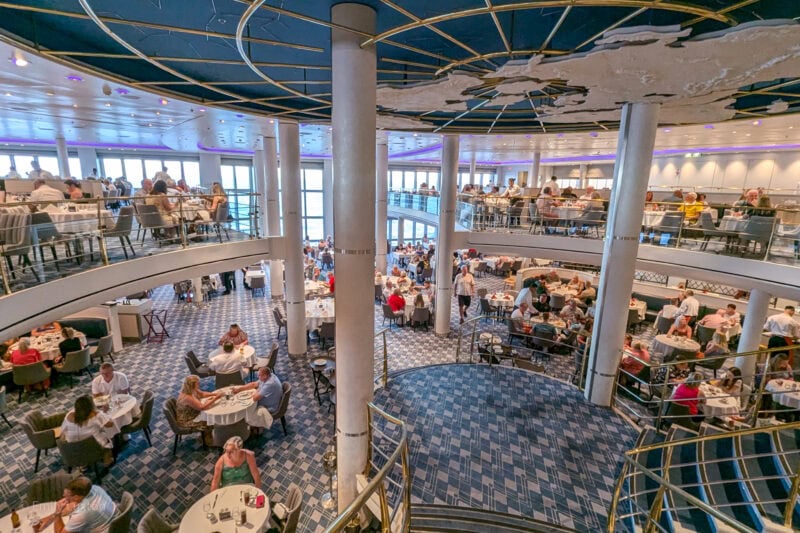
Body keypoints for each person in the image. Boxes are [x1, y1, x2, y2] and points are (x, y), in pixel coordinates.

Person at [35, 476, 116, 533]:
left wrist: (58, 515)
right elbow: (71, 506)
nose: (63, 497)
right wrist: (51, 517)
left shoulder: (82, 514)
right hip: (116, 519)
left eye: (66, 496)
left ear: (76, 497)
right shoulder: (95, 488)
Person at [60, 395, 115, 462]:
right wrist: (105, 412)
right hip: (92, 446)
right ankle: (107, 461)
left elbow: (63, 431)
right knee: (107, 436)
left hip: (73, 448)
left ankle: (83, 464)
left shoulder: (68, 415)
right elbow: (110, 424)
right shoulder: (96, 415)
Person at [233, 367, 283, 431]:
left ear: (265, 375)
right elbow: (254, 384)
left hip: (270, 406)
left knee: (245, 407)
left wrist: (256, 391)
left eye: (259, 375)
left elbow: (255, 398)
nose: (258, 376)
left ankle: (247, 427)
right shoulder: (270, 375)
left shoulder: (270, 384)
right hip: (268, 400)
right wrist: (239, 389)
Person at [177, 375, 222, 445]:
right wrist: (215, 398)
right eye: (197, 383)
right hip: (188, 419)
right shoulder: (187, 397)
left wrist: (214, 394)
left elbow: (202, 394)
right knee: (210, 418)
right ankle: (207, 440)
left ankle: (209, 434)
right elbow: (202, 407)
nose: (199, 384)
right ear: (192, 385)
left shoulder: (192, 390)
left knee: (211, 410)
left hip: (193, 412)